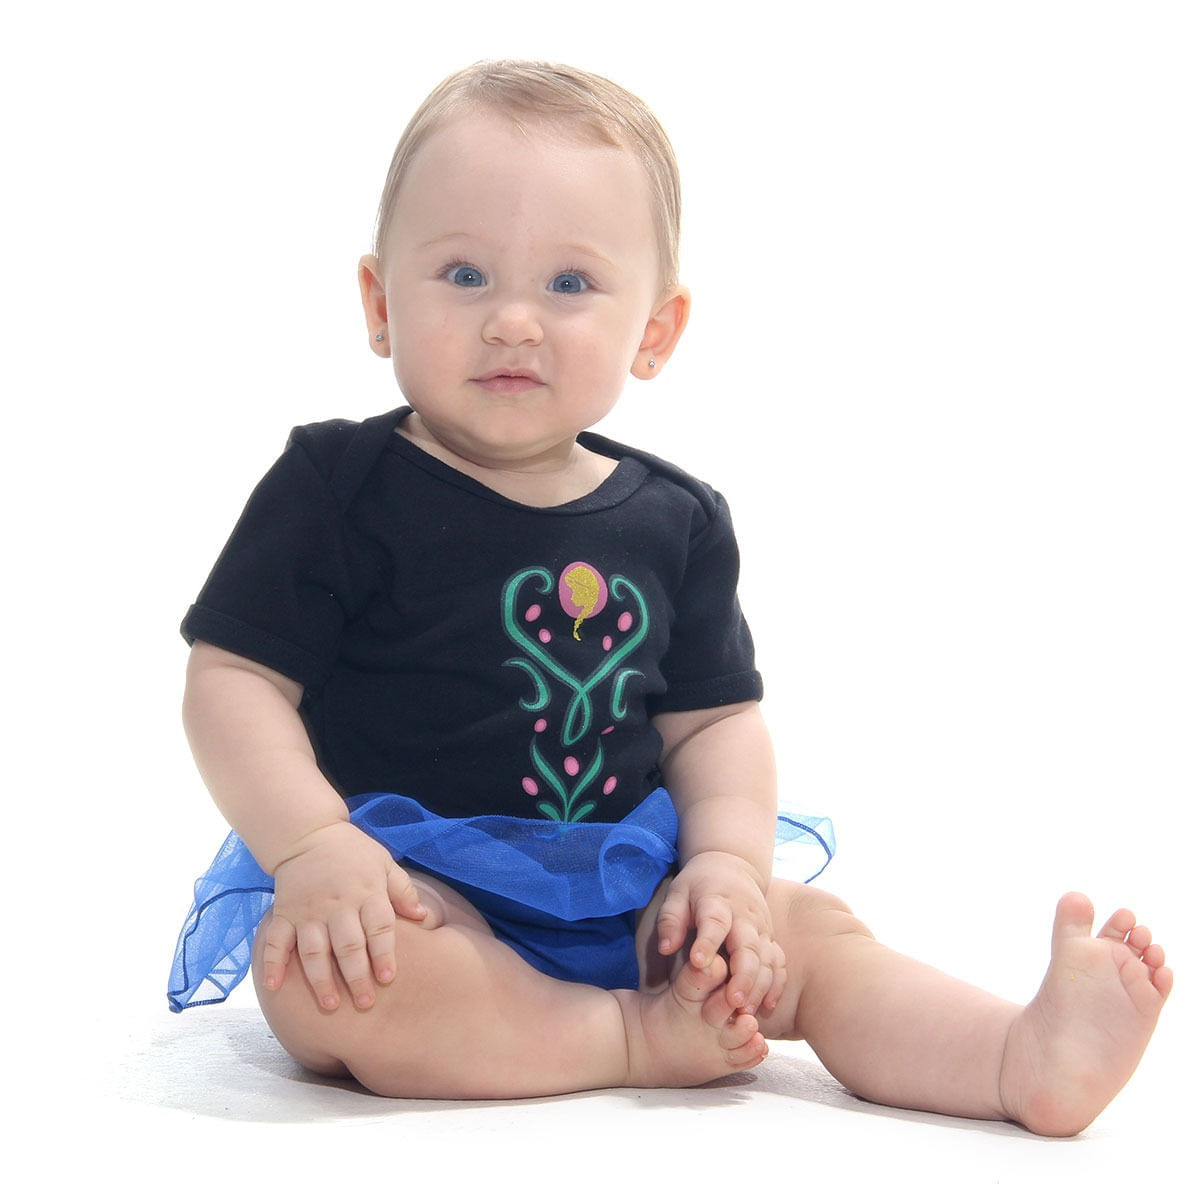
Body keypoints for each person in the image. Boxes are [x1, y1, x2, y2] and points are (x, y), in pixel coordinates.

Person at [170, 60, 1171, 1133]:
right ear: (380, 304)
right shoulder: (336, 487)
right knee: (332, 987)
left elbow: (715, 726)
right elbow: (233, 683)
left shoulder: (676, 520)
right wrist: (314, 847)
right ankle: (624, 1037)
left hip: (638, 889)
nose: (514, 320)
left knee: (810, 936)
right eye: (464, 274)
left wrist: (728, 869)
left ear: (655, 329)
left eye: (569, 284)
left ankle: (1014, 1058)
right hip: (413, 889)